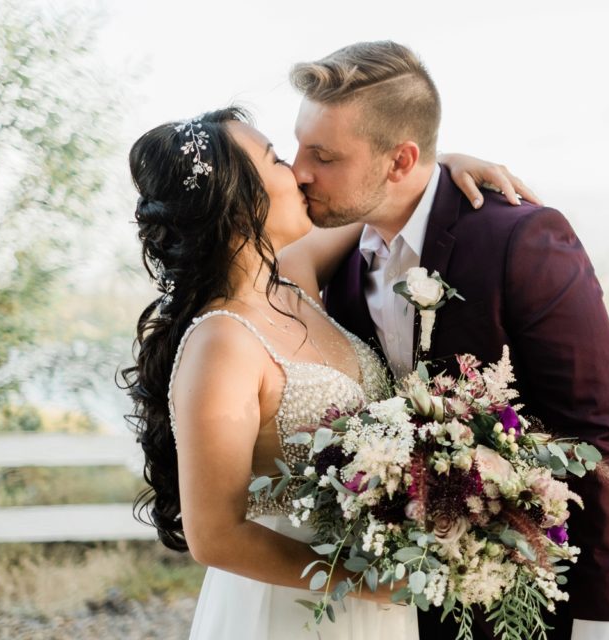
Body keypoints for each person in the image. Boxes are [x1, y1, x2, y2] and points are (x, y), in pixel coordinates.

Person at [121, 107, 531, 639]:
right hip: (290, 609)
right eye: (276, 158)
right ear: (240, 201)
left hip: (373, 603)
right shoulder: (222, 342)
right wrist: (366, 580)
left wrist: (437, 165)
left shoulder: (291, 280)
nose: (301, 172)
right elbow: (215, 536)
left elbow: (376, 198)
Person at [290, 41, 609, 640]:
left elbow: (596, 429)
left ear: (401, 161)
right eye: (299, 147)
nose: (300, 171)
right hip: (397, 597)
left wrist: (603, 622)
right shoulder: (340, 257)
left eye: (323, 155)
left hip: (524, 597)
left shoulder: (523, 240)